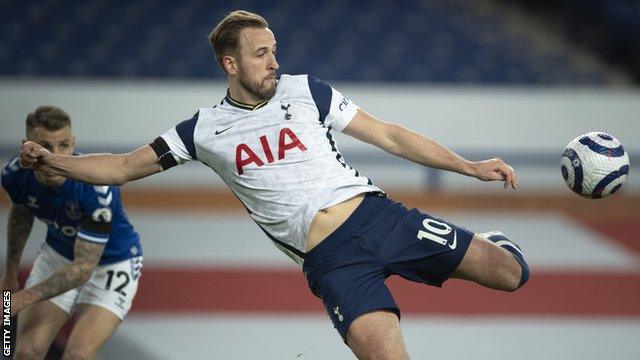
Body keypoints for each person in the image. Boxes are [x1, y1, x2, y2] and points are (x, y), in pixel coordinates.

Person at [19, 11, 529, 359]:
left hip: (379, 216)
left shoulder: (306, 90)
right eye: (262, 54)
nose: (274, 62)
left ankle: (491, 244)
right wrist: (54, 163)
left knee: (511, 274)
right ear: (231, 63)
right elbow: (124, 167)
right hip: (333, 262)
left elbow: (389, 135)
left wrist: (470, 166)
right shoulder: (203, 129)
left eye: (275, 52)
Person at [2, 106, 143, 360]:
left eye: (64, 145)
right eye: (44, 146)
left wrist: (19, 300)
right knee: (26, 352)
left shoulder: (96, 188)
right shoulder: (15, 175)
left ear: (74, 144)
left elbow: (82, 269)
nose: (55, 157)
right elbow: (22, 212)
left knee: (77, 354)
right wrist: (10, 274)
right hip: (60, 254)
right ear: (27, 146)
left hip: (112, 264)